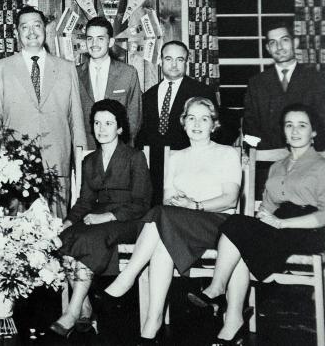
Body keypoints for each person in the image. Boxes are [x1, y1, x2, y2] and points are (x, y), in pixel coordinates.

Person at [188, 103, 325, 345]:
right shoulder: (277, 167)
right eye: (289, 125)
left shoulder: (322, 166)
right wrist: (266, 216)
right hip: (277, 227)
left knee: (239, 234)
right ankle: (230, 322)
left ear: (313, 132)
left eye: (302, 125)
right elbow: (268, 207)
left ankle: (216, 293)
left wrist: (282, 224)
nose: (295, 131)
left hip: (307, 229)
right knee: (237, 229)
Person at [104, 97, 241, 343]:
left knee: (158, 216)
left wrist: (195, 204)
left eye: (204, 118)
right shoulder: (176, 157)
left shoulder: (227, 153)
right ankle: (151, 324)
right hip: (181, 222)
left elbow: (230, 200)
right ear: (183, 123)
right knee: (161, 243)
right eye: (191, 118)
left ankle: (127, 277)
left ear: (214, 125)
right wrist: (182, 204)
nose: (197, 123)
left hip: (219, 226)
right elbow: (168, 199)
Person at [51, 99, 152, 338]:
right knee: (64, 238)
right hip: (96, 218)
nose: (101, 128)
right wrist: (66, 222)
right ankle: (85, 306)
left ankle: (72, 311)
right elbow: (85, 202)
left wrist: (107, 216)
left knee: (91, 237)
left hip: (128, 220)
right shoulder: (89, 161)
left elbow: (142, 203)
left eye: (108, 123)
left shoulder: (134, 157)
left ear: (119, 128)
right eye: (97, 123)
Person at [0, 5, 87, 218]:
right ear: (16, 33)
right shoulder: (1, 68)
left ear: (45, 30)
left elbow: (76, 120)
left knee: (57, 232)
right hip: (15, 167)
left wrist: (82, 166)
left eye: (37, 26)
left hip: (56, 165)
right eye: (25, 27)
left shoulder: (67, 68)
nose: (32, 32)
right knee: (16, 234)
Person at [135, 41, 218, 206]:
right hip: (155, 172)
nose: (174, 64)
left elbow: (215, 131)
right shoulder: (148, 96)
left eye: (180, 59)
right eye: (168, 59)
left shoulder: (202, 91)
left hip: (190, 169)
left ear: (186, 62)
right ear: (160, 61)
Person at [244, 21, 325, 151]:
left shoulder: (315, 79)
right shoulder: (256, 83)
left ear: (295, 43)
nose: (279, 47)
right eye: (273, 42)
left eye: (284, 40)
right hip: (268, 159)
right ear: (268, 48)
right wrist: (266, 152)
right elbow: (249, 127)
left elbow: (323, 122)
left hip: (308, 158)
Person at [76, 17, 142, 149]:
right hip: (85, 150)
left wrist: (122, 148)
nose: (94, 43)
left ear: (110, 42)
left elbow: (134, 117)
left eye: (100, 38)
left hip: (119, 151)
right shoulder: (75, 74)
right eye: (90, 38)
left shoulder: (128, 73)